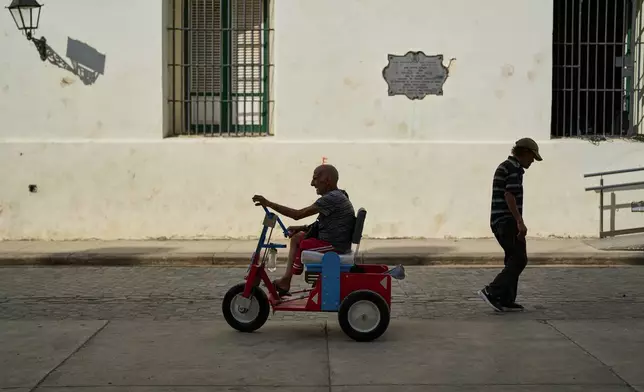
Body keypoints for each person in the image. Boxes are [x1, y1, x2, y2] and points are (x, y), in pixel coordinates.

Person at [252, 164, 355, 296]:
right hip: (333, 241)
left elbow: (297, 215)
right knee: (297, 238)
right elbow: (321, 224)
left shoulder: (331, 198)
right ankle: (285, 281)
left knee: (304, 244)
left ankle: (293, 274)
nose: (312, 183)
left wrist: (269, 203)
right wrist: (301, 228)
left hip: (335, 246)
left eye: (315, 178)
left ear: (327, 180)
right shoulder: (338, 195)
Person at [478, 138, 542, 312]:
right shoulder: (513, 169)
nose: (532, 162)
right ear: (525, 153)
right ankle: (492, 291)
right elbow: (509, 196)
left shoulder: (506, 166)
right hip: (506, 221)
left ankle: (506, 298)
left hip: (499, 220)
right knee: (519, 259)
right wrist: (519, 222)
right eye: (532, 158)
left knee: (512, 258)